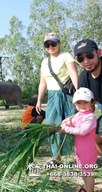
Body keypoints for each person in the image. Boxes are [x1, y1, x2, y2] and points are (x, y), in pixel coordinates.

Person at [36, 32, 78, 165]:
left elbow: (73, 74)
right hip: (53, 97)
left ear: (59, 43)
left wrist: (79, 94)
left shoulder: (66, 56)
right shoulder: (44, 62)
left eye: (53, 43)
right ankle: (56, 158)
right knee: (52, 127)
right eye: (47, 45)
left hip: (67, 96)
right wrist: (39, 100)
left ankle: (80, 157)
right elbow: (43, 83)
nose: (50, 47)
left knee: (73, 125)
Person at [59, 88, 97, 192]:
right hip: (79, 149)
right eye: (79, 103)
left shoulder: (90, 117)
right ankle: (87, 188)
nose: (82, 105)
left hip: (88, 151)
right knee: (83, 170)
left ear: (92, 103)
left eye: (85, 102)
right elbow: (71, 122)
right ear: (75, 105)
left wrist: (65, 129)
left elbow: (82, 131)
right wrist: (64, 124)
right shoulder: (79, 115)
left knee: (87, 172)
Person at [69, 39, 102, 157]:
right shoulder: (83, 79)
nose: (86, 61)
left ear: (98, 53)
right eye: (81, 58)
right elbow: (88, 108)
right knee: (91, 139)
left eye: (89, 55)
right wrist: (72, 119)